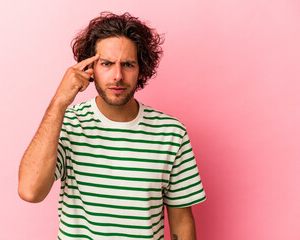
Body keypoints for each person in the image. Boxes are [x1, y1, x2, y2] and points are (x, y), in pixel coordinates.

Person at [18, 12, 206, 240]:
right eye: (106, 64)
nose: (118, 76)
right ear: (90, 69)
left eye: (128, 64)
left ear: (141, 69)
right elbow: (30, 191)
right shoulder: (67, 124)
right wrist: (59, 103)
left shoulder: (171, 133)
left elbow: (181, 222)